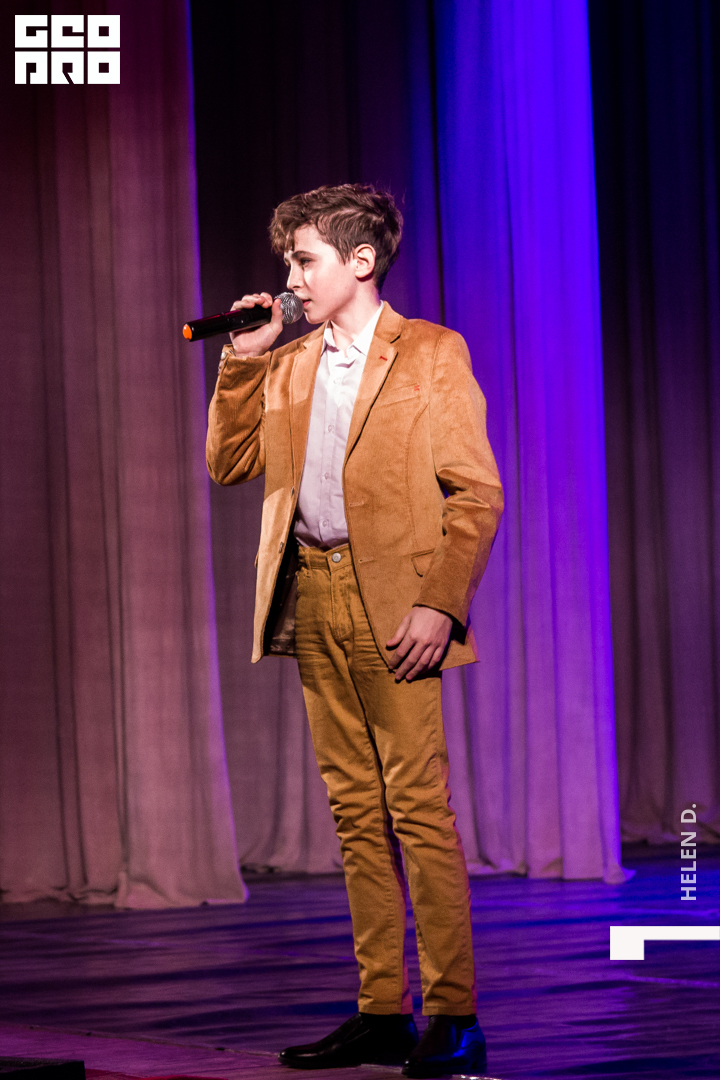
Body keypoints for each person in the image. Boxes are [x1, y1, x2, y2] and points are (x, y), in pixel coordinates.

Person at [206, 184, 503, 1077]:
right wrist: (243, 362)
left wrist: (440, 601)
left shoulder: (431, 353)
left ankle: (453, 1014)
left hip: (398, 606)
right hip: (315, 594)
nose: (290, 278)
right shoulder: (291, 362)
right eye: (288, 263)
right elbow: (228, 463)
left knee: (417, 809)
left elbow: (476, 496)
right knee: (354, 812)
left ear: (360, 261)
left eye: (304, 260)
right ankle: (382, 1010)